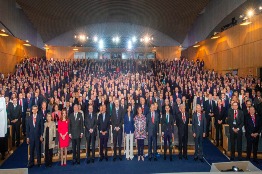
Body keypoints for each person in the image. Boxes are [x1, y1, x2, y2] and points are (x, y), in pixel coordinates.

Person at [0, 92, 7, 160]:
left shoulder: (2, 100)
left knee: (2, 139)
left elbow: (1, 108)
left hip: (1, 124)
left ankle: (3, 153)